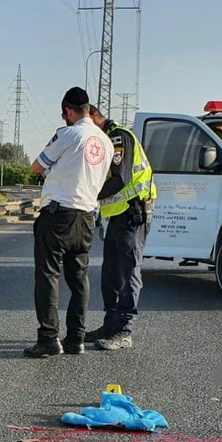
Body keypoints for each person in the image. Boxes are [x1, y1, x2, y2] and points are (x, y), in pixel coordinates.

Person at [24, 87, 112, 358]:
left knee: (48, 276)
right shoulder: (106, 141)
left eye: (65, 114)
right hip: (87, 218)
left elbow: (36, 167)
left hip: (59, 216)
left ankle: (49, 339)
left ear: (70, 111)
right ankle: (76, 339)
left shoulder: (68, 134)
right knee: (79, 279)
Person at [86, 105, 155, 351]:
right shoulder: (105, 139)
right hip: (117, 215)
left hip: (132, 213)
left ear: (93, 118)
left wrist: (88, 194)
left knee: (127, 272)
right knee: (111, 275)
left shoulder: (118, 136)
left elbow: (121, 178)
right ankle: (110, 325)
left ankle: (124, 330)